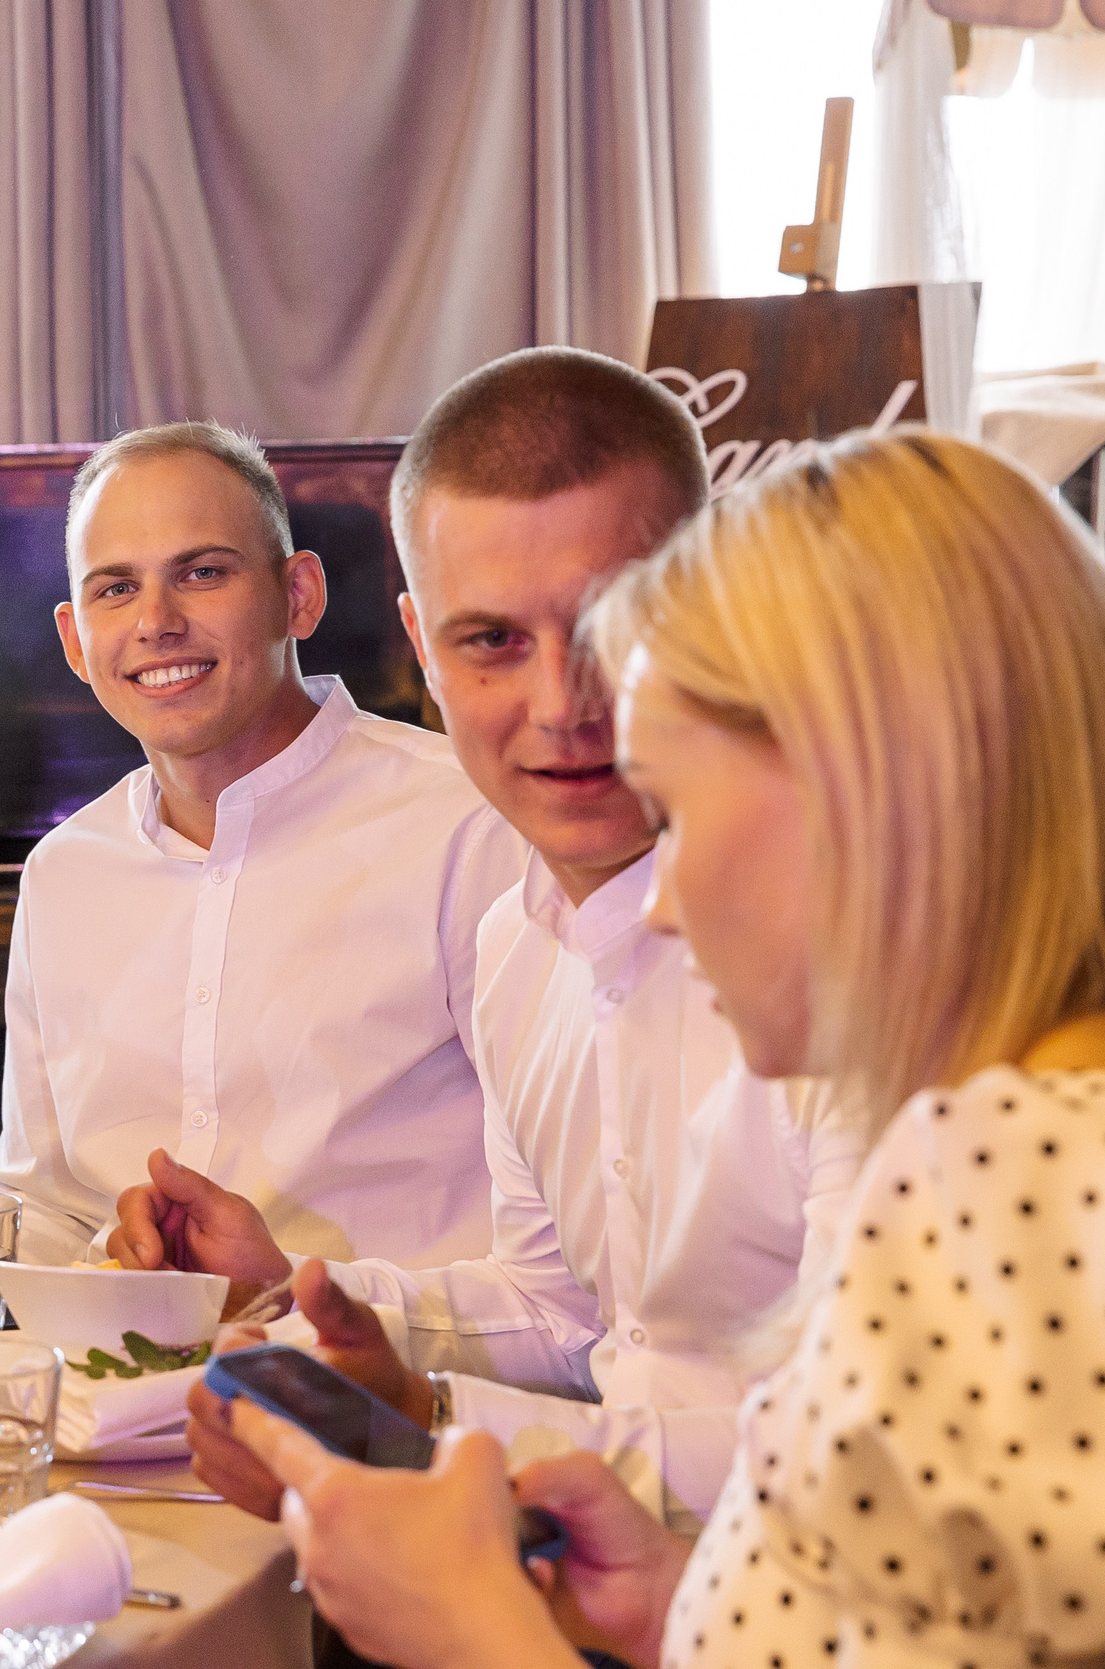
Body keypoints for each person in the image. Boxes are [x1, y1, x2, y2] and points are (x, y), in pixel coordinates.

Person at [214, 429, 1105, 1669]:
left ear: (874, 790)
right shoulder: (1103, 1085)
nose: (663, 904)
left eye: (678, 813)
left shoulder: (1038, 1163)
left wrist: (471, 1632)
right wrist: (679, 1603)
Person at [124, 350, 871, 1522]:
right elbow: (567, 1312)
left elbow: (863, 1459)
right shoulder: (515, 948)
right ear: (420, 645)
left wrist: (427, 1433)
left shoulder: (862, 949)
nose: (562, 706)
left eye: (612, 625)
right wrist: (294, 1290)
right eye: (490, 644)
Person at [0, 422, 527, 1267]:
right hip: (124, 1383)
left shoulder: (467, 824)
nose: (157, 621)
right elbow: (36, 1204)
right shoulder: (63, 874)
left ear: (299, 593)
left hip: (404, 1386)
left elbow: (572, 1236)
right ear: (74, 641)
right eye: (116, 588)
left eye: (201, 573)